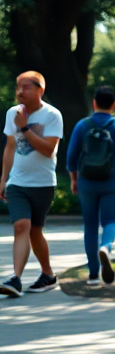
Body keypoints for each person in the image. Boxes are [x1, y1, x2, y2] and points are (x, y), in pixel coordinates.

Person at [0, 72, 63, 298]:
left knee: (35, 231)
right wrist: (3, 178)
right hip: (17, 182)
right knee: (21, 226)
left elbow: (48, 150)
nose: (19, 92)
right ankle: (16, 279)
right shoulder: (12, 113)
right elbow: (10, 147)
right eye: (18, 86)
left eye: (25, 87)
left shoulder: (52, 115)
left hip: (43, 184)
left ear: (40, 90)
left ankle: (48, 274)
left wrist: (25, 128)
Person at [66, 85, 115, 288]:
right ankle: (106, 247)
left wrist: (74, 179)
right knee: (111, 221)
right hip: (112, 182)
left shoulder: (82, 125)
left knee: (90, 226)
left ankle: (93, 275)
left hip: (87, 182)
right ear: (113, 105)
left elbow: (71, 157)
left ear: (94, 103)